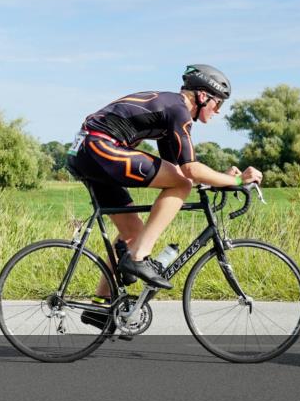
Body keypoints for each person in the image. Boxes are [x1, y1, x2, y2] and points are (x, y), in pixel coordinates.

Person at [66, 65, 262, 312]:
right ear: (203, 96)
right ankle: (138, 258)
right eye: (218, 104)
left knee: (133, 233)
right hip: (99, 147)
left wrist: (218, 178)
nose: (218, 112)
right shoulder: (178, 109)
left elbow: (180, 166)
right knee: (182, 184)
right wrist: (235, 181)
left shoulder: (169, 110)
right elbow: (188, 172)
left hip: (86, 152)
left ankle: (101, 305)